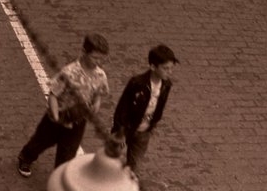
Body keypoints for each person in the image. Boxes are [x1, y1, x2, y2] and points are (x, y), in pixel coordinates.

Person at [17, 34, 110, 176]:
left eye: (101, 59)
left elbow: (98, 94)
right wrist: (55, 116)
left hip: (78, 121)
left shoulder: (100, 75)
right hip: (57, 117)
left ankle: (59, 179)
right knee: (41, 141)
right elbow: (53, 95)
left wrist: (96, 104)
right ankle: (26, 157)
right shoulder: (69, 72)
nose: (98, 62)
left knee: (67, 154)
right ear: (84, 52)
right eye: (95, 58)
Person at [112, 44, 178, 173]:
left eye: (171, 68)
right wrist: (120, 132)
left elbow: (160, 106)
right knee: (112, 161)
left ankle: (128, 187)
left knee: (135, 165)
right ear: (153, 66)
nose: (169, 72)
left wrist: (152, 124)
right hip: (126, 129)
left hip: (144, 131)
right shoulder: (137, 83)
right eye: (166, 68)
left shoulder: (166, 85)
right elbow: (122, 109)